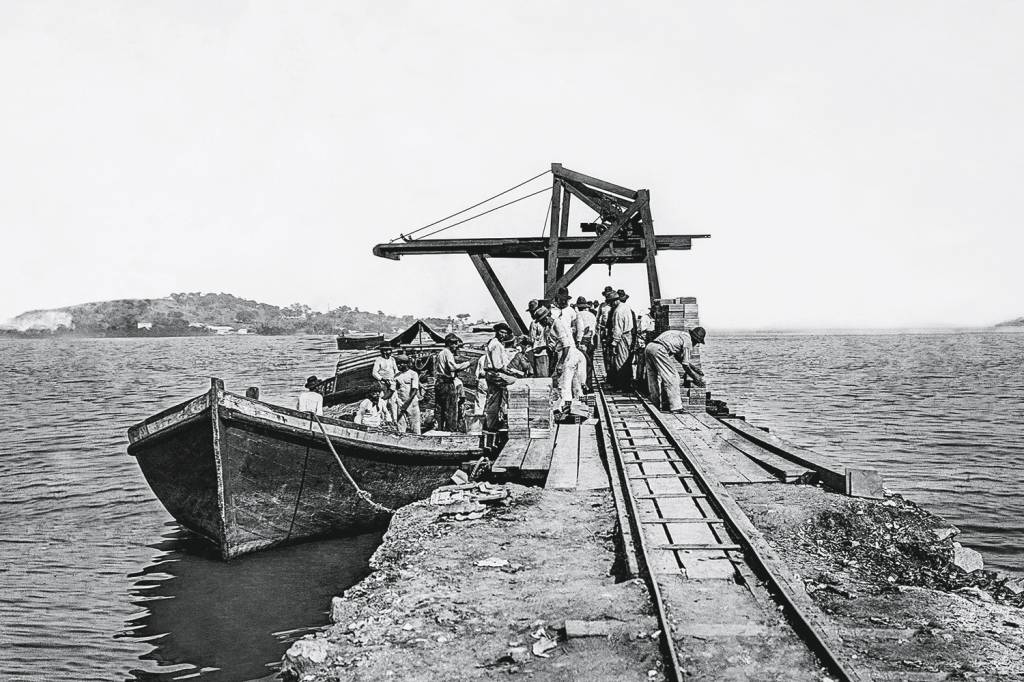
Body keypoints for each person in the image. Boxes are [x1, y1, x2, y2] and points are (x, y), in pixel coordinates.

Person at [644, 327, 706, 412]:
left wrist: (694, 368)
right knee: (673, 377)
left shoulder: (679, 334)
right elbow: (685, 365)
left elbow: (678, 357)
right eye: (697, 342)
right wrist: (695, 378)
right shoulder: (688, 342)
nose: (696, 345)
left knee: (653, 377)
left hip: (649, 347)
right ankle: (676, 407)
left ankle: (655, 403)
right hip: (660, 350)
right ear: (695, 339)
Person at [535, 305, 586, 409]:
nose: (540, 323)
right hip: (566, 354)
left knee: (564, 385)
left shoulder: (557, 324)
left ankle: (564, 408)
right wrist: (543, 347)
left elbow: (566, 345)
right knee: (575, 383)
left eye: (541, 321)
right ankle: (578, 407)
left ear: (546, 318)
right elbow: (555, 343)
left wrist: (561, 364)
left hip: (568, 355)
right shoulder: (549, 327)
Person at [435, 333, 473, 431]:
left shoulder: (441, 353)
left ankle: (440, 430)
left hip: (439, 383)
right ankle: (451, 431)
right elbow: (453, 368)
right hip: (446, 383)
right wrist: (468, 363)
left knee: (440, 409)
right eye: (455, 344)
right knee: (451, 409)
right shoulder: (448, 353)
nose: (456, 347)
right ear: (450, 344)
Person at [482, 322, 513, 431]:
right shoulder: (496, 345)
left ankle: (493, 422)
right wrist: (508, 370)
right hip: (495, 373)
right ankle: (493, 424)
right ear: (497, 332)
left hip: (491, 373)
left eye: (505, 333)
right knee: (513, 385)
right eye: (501, 332)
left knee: (495, 398)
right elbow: (497, 364)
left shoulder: (495, 343)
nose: (503, 335)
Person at [609, 289, 637, 390]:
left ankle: (622, 385)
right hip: (628, 335)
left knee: (620, 360)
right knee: (627, 360)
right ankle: (626, 383)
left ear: (615, 301)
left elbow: (617, 329)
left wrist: (614, 343)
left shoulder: (618, 311)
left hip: (622, 337)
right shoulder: (626, 307)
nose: (610, 305)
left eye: (611, 302)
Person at [391, 355, 421, 434]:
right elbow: (392, 390)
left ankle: (417, 441)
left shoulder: (413, 374)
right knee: (400, 424)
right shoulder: (396, 376)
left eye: (401, 364)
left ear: (406, 364)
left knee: (415, 425)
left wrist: (406, 404)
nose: (398, 366)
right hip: (401, 402)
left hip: (411, 403)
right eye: (397, 364)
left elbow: (414, 390)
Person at [572, 296, 597, 391]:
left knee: (582, 364)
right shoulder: (592, 315)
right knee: (589, 363)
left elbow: (580, 329)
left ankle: (583, 385)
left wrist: (578, 341)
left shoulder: (578, 315)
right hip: (591, 340)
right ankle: (589, 385)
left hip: (583, 341)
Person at [526, 299, 549, 378]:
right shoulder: (548, 321)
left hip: (539, 353)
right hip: (548, 352)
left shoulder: (534, 323)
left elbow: (532, 340)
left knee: (541, 377)